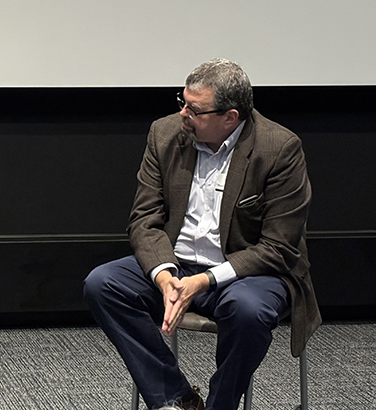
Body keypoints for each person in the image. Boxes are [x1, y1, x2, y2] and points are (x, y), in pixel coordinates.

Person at [83, 59, 320, 410]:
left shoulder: (279, 149)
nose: (183, 114)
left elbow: (278, 248)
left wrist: (206, 281)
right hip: (177, 264)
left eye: (194, 109)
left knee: (247, 311)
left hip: (247, 273)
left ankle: (218, 406)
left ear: (231, 117)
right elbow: (145, 218)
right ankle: (177, 399)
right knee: (103, 284)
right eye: (182, 101)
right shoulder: (164, 134)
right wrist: (164, 275)